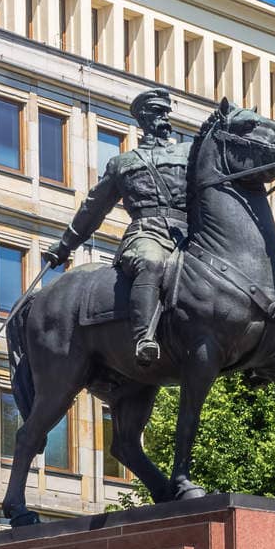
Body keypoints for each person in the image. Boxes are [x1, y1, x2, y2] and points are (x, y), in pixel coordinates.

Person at [44, 86, 189, 365]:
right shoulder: (123, 163)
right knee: (152, 262)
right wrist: (65, 246)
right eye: (159, 113)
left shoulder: (187, 155)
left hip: (186, 234)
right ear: (144, 118)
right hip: (147, 233)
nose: (166, 120)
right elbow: (93, 208)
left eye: (167, 113)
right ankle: (144, 337)